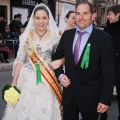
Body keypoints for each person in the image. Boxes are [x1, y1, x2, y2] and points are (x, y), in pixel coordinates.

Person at [52, 2, 115, 120]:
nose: (80, 17)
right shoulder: (67, 35)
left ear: (93, 16)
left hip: (92, 97)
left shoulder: (104, 39)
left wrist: (106, 99)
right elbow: (56, 58)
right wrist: (60, 75)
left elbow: (109, 71)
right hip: (69, 95)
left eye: (85, 13)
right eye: (78, 13)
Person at [2, 3, 62, 120]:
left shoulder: (56, 37)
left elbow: (61, 57)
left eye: (44, 18)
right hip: (27, 79)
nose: (41, 21)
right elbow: (19, 59)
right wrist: (14, 82)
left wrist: (60, 62)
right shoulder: (26, 36)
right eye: (38, 18)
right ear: (33, 19)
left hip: (48, 81)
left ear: (49, 19)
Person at [101, 4, 120, 120]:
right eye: (107, 14)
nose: (108, 17)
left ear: (118, 15)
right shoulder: (106, 29)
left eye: (110, 14)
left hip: (119, 67)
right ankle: (103, 115)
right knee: (104, 94)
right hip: (107, 67)